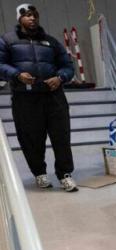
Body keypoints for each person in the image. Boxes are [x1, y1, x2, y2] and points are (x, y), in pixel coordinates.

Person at [0, 4, 78, 192]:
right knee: (31, 138)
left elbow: (68, 66)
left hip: (54, 97)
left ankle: (65, 174)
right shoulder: (7, 40)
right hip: (25, 98)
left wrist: (60, 78)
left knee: (61, 136)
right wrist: (17, 75)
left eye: (34, 15)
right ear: (19, 18)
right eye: (27, 15)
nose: (32, 18)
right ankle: (39, 174)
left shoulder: (51, 41)